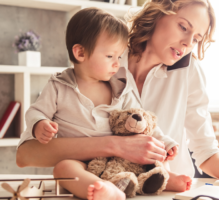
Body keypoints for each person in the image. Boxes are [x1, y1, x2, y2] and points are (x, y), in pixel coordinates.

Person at [17, 0, 219, 196]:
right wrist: (115, 146)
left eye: (197, 38)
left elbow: (206, 153)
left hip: (167, 192)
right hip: (103, 189)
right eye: (183, 27)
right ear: (159, 12)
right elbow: (27, 154)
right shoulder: (105, 57)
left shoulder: (189, 72)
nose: (188, 43)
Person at [17, 7, 181, 200]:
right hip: (79, 162)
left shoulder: (122, 85)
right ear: (80, 53)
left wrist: (166, 142)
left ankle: (164, 178)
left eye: (119, 57)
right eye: (110, 56)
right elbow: (35, 111)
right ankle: (103, 189)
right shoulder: (59, 86)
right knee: (63, 169)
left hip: (118, 162)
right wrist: (39, 124)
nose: (117, 64)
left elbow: (143, 120)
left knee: (151, 153)